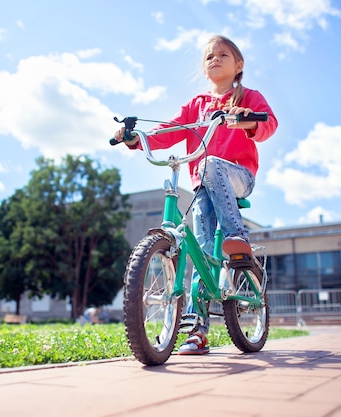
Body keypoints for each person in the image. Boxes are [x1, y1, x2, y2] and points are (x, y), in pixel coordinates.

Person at [114, 35, 278, 355]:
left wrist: (248, 121)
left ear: (238, 65)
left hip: (238, 177)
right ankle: (197, 331)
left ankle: (236, 236)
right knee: (201, 254)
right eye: (209, 57)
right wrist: (135, 137)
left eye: (223, 55)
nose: (214, 59)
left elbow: (269, 124)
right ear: (204, 69)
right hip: (204, 184)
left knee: (213, 164)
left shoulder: (248, 98)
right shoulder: (196, 106)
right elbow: (169, 130)